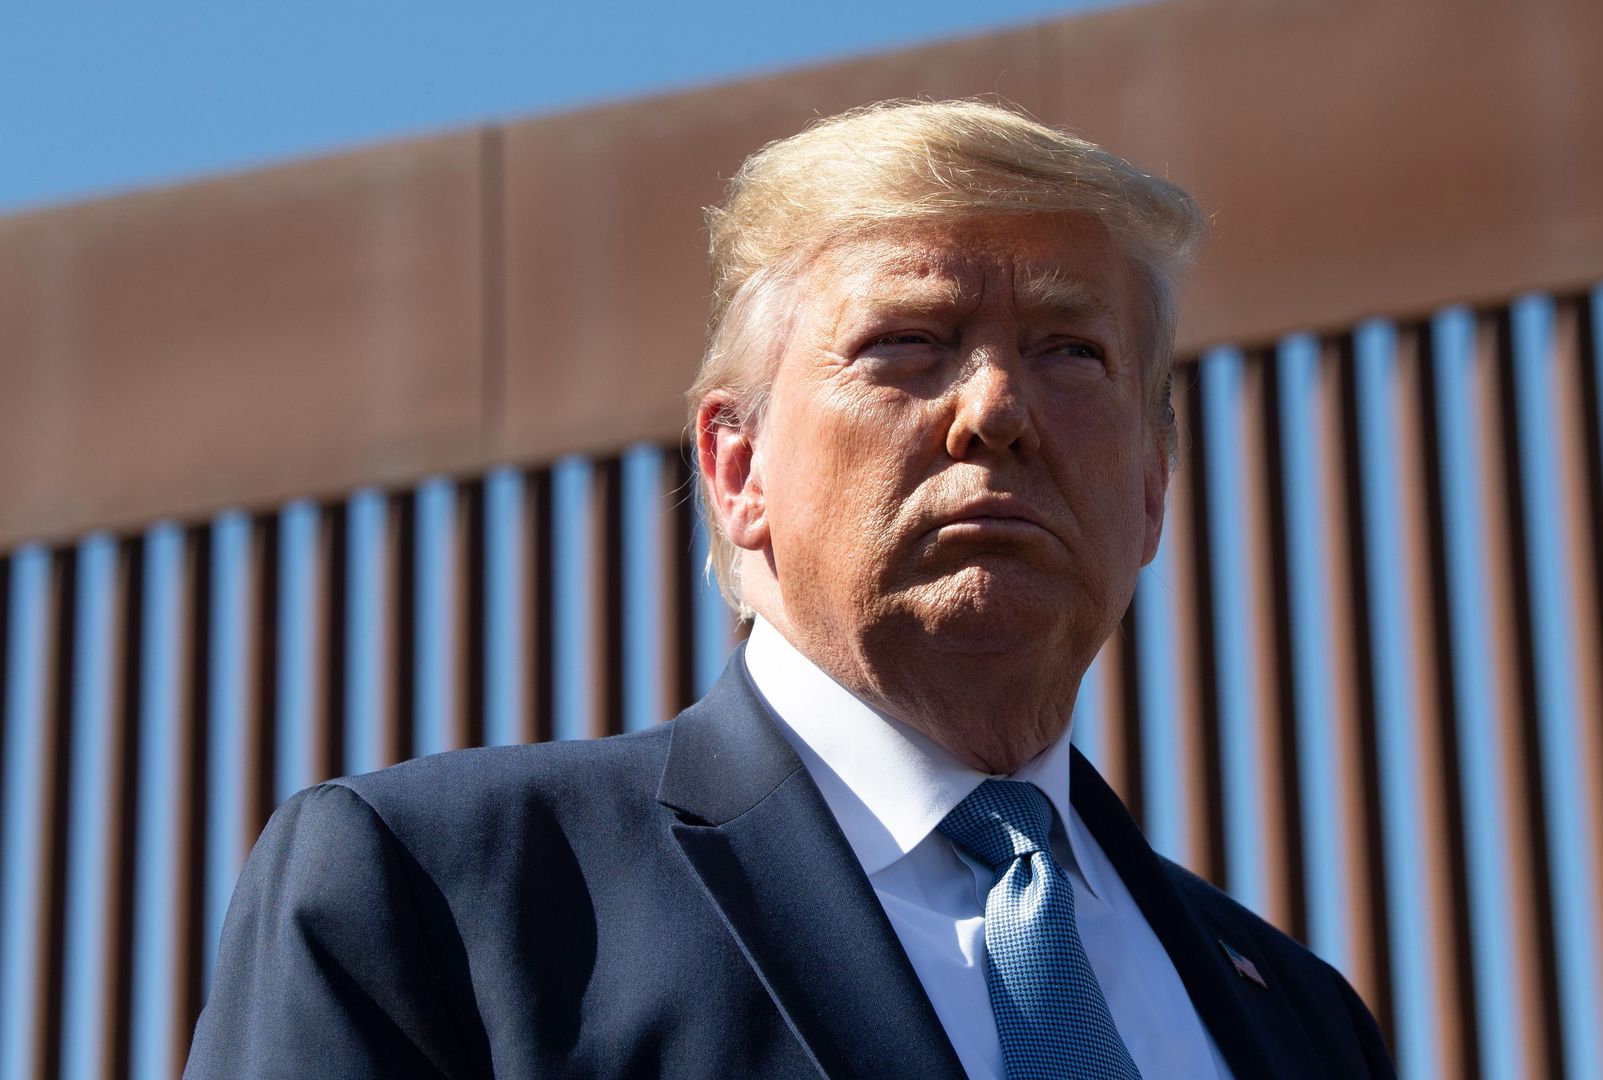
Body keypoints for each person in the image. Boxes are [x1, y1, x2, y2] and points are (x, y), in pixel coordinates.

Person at [185, 99, 1395, 1079]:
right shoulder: (450, 894)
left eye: (1071, 352)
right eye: (907, 345)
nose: (998, 411)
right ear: (737, 466)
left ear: (1151, 489)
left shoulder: (1302, 1020)